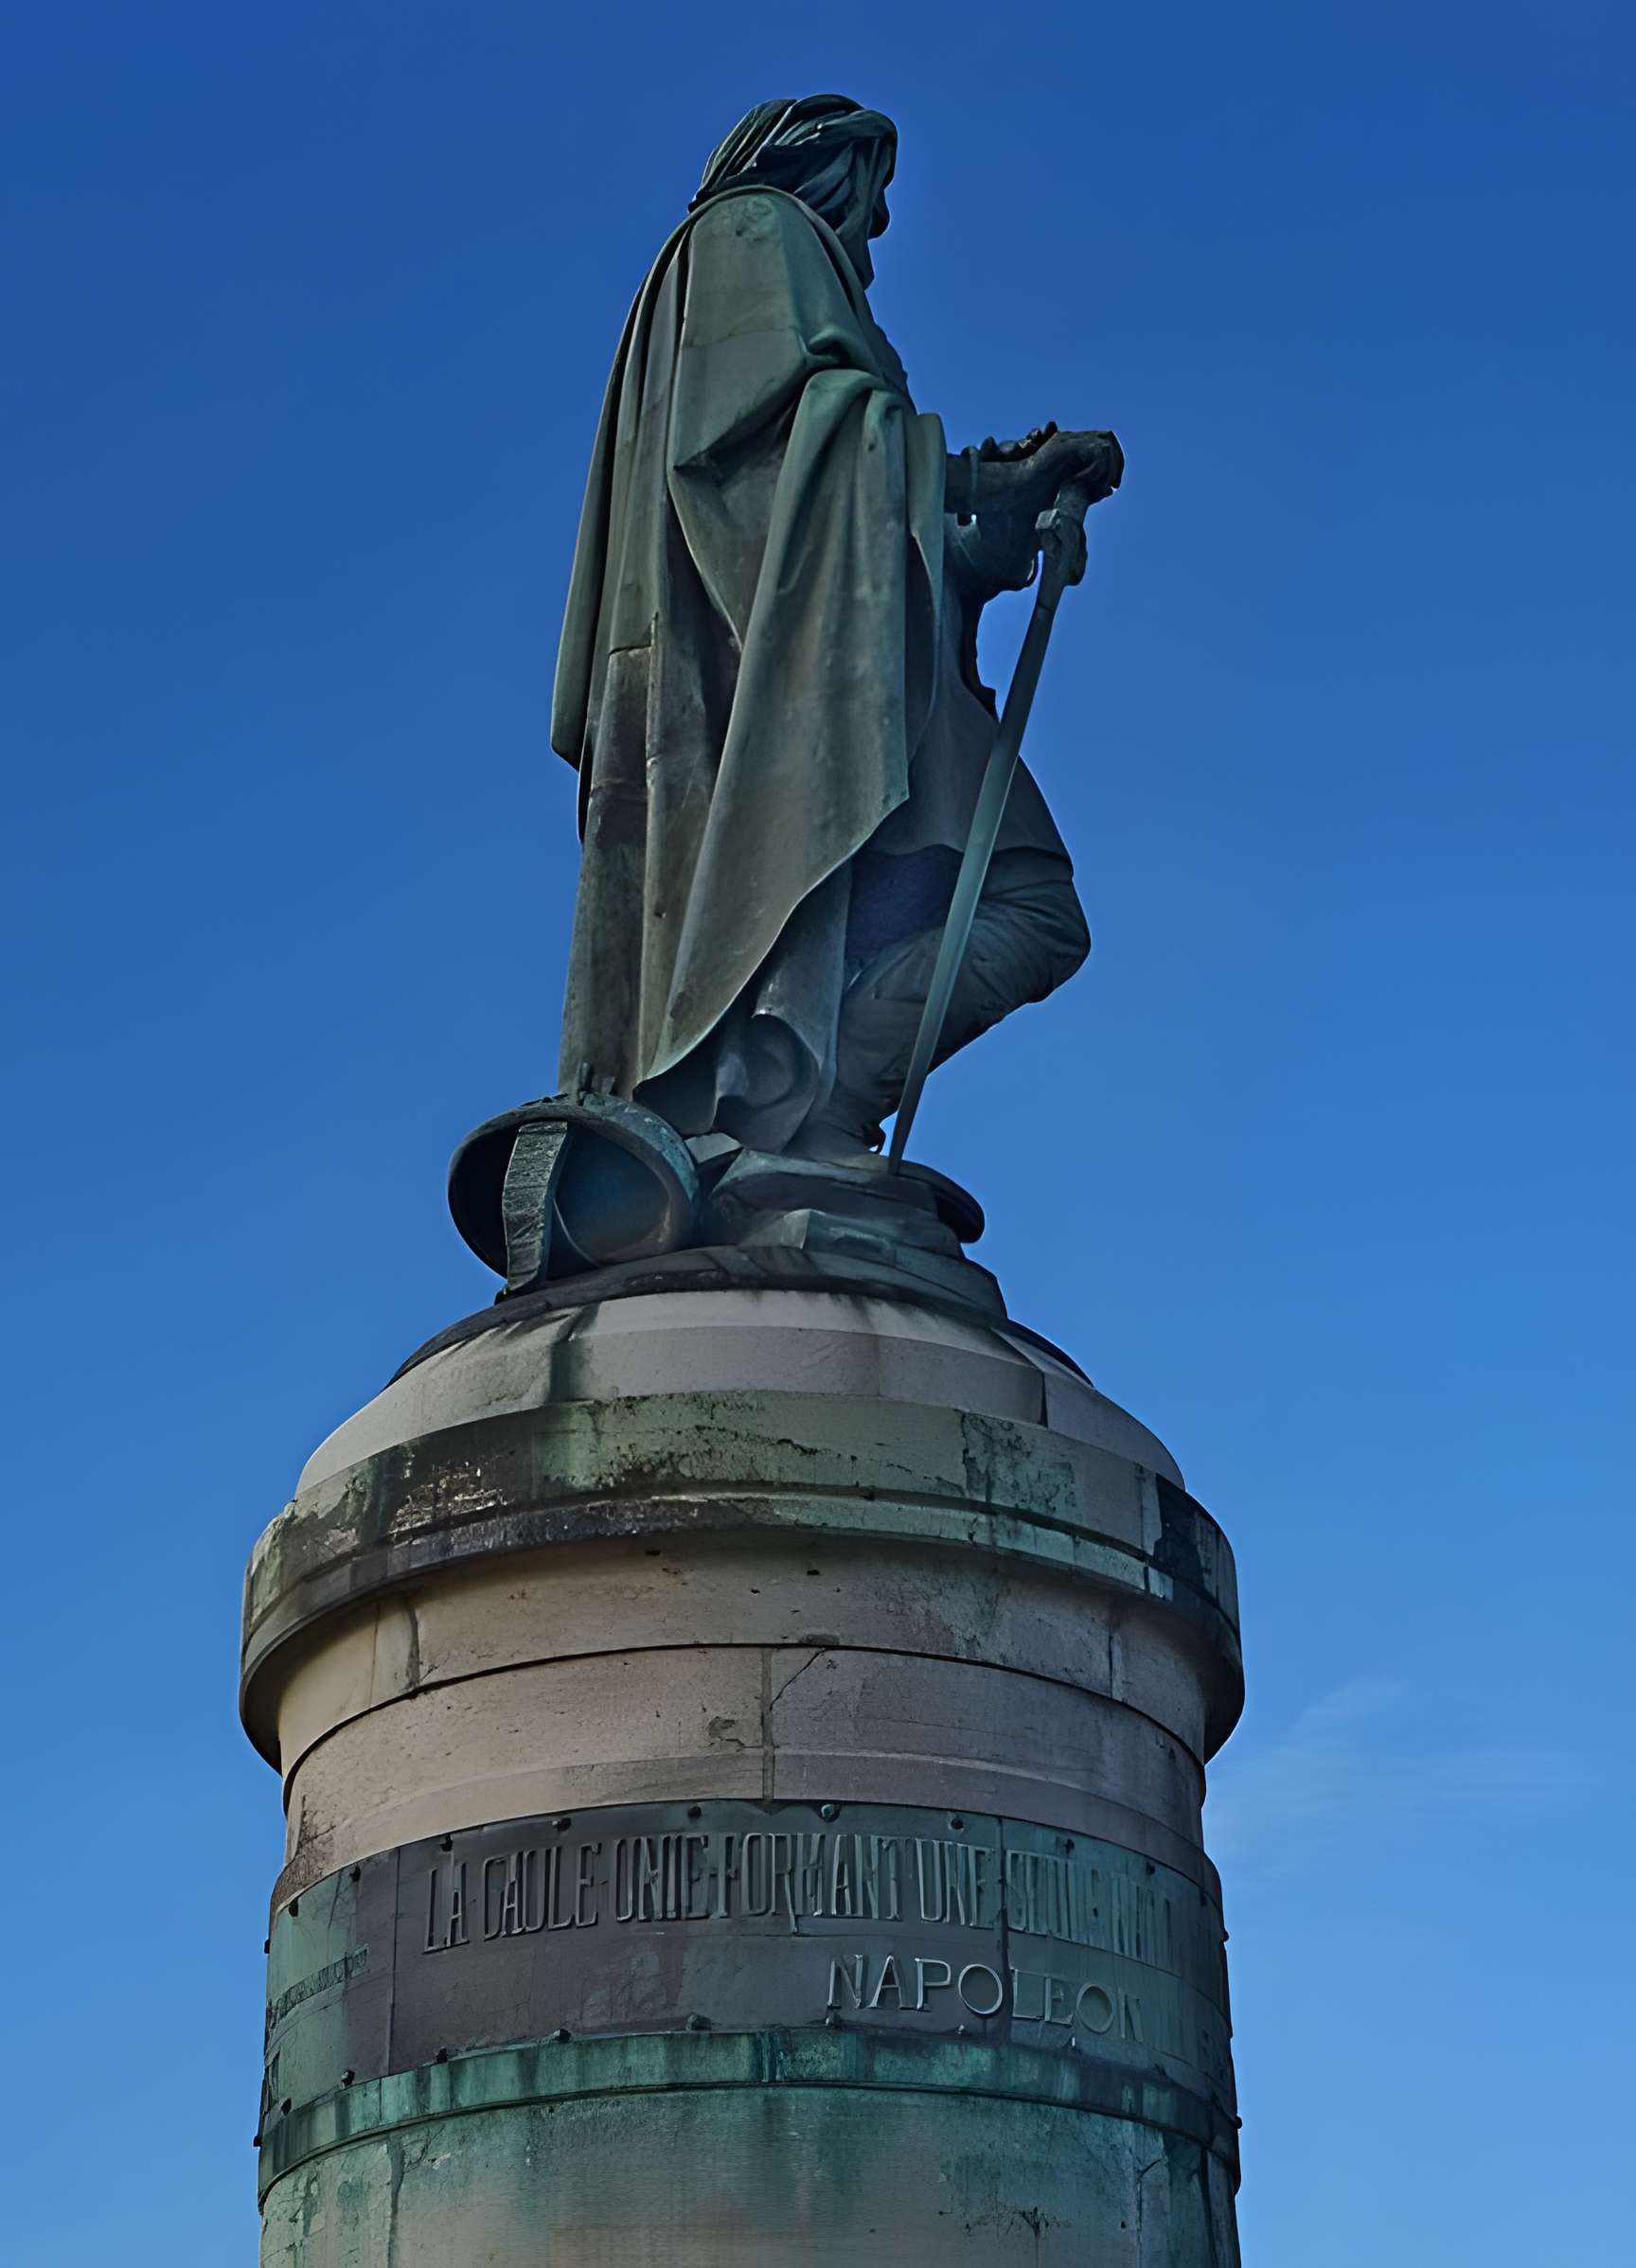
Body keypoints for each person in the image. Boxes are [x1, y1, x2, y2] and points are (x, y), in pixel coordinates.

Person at [551, 95, 1121, 1160]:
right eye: (876, 193)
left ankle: (805, 1094)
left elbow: (849, 517)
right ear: (822, 171)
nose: (883, 227)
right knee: (1032, 904)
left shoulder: (771, 258)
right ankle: (799, 1101)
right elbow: (785, 455)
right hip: (774, 680)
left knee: (1029, 906)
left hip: (847, 665)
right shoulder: (753, 230)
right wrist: (988, 475)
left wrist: (990, 529)